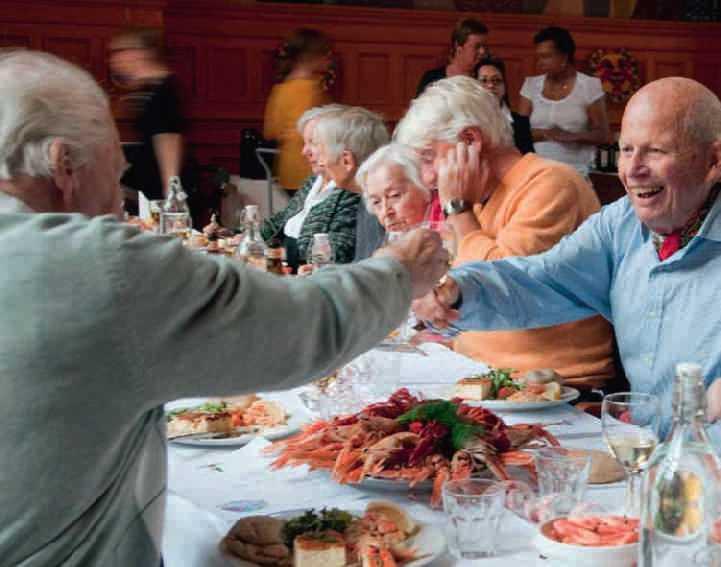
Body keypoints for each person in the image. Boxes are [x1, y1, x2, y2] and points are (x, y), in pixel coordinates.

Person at [0, 50, 448, 566]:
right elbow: (296, 329)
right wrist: (397, 271)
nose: (121, 203)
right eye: (119, 169)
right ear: (63, 163)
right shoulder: (95, 263)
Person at [414, 77, 721, 437]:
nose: (633, 169)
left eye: (655, 152)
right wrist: (458, 292)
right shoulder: (618, 226)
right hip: (644, 452)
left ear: (713, 160)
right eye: (625, 150)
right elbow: (540, 280)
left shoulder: (549, 184)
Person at [396, 76, 615, 388]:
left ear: (470, 140)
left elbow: (504, 288)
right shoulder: (480, 198)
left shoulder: (551, 183)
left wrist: (457, 210)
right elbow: (453, 292)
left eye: (429, 158)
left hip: (555, 387)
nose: (428, 178)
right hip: (484, 375)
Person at [264, 105, 388, 270]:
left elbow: (364, 269)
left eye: (322, 151)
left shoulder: (373, 205)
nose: (321, 162)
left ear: (347, 161)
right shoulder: (369, 199)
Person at [261, 103, 349, 271]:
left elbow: (338, 252)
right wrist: (242, 235)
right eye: (304, 142)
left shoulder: (350, 191)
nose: (304, 151)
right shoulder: (313, 181)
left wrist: (282, 253)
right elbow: (283, 218)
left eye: (313, 143)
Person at [518, 26, 610, 177]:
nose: (540, 63)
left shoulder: (588, 86)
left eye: (546, 56)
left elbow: (603, 135)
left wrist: (571, 136)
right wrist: (547, 134)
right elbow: (518, 133)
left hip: (576, 171)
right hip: (536, 170)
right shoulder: (531, 85)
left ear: (564, 56)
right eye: (538, 57)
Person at [109, 27, 187, 201]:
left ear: (139, 54)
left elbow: (168, 139)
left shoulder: (164, 91)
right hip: (148, 182)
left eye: (120, 52)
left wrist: (171, 190)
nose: (114, 59)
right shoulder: (148, 88)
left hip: (158, 186)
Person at [263, 28, 332, 193]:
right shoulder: (310, 90)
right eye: (326, 54)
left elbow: (271, 131)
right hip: (309, 170)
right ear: (311, 57)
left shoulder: (282, 89)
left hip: (287, 169)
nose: (329, 59)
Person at [356, 142, 442, 234]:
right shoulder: (393, 238)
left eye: (394, 195)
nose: (385, 212)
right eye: (376, 202)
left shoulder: (449, 222)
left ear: (423, 186)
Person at [415, 18, 489, 97]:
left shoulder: (486, 78)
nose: (483, 51)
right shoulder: (432, 78)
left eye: (484, 46)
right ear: (458, 47)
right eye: (477, 46)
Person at [476, 56, 534, 155]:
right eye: (484, 81)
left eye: (496, 80)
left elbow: (528, 157)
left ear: (504, 86)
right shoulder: (468, 119)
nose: (490, 86)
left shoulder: (520, 122)